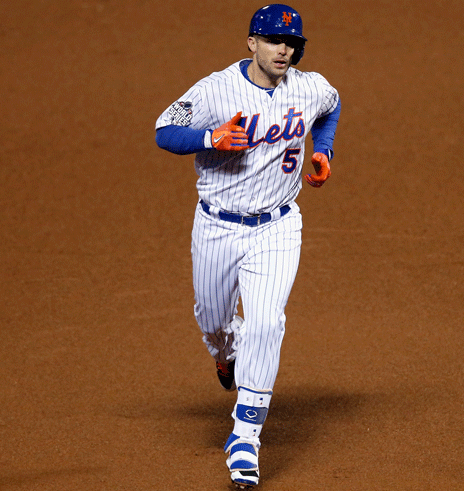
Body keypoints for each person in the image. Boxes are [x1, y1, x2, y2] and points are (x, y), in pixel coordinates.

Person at [154, 4, 340, 487]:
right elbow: (164, 130)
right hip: (217, 227)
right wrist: (211, 137)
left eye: (292, 43)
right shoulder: (215, 89)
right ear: (251, 42)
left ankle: (245, 436)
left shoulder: (308, 87)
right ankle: (224, 351)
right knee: (213, 321)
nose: (284, 49)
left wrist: (322, 151)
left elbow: (332, 105)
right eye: (274, 40)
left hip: (277, 228)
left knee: (267, 321)